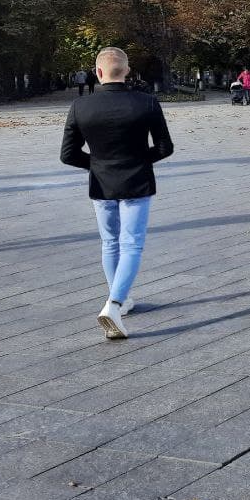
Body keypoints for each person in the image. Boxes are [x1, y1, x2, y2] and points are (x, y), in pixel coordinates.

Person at [59, 47, 174, 339]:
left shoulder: (80, 107)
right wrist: (134, 162)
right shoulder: (147, 103)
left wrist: (98, 165)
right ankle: (115, 303)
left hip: (101, 184)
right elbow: (164, 147)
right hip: (136, 181)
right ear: (126, 70)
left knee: (110, 243)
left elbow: (68, 154)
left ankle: (118, 300)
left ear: (98, 72)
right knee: (132, 244)